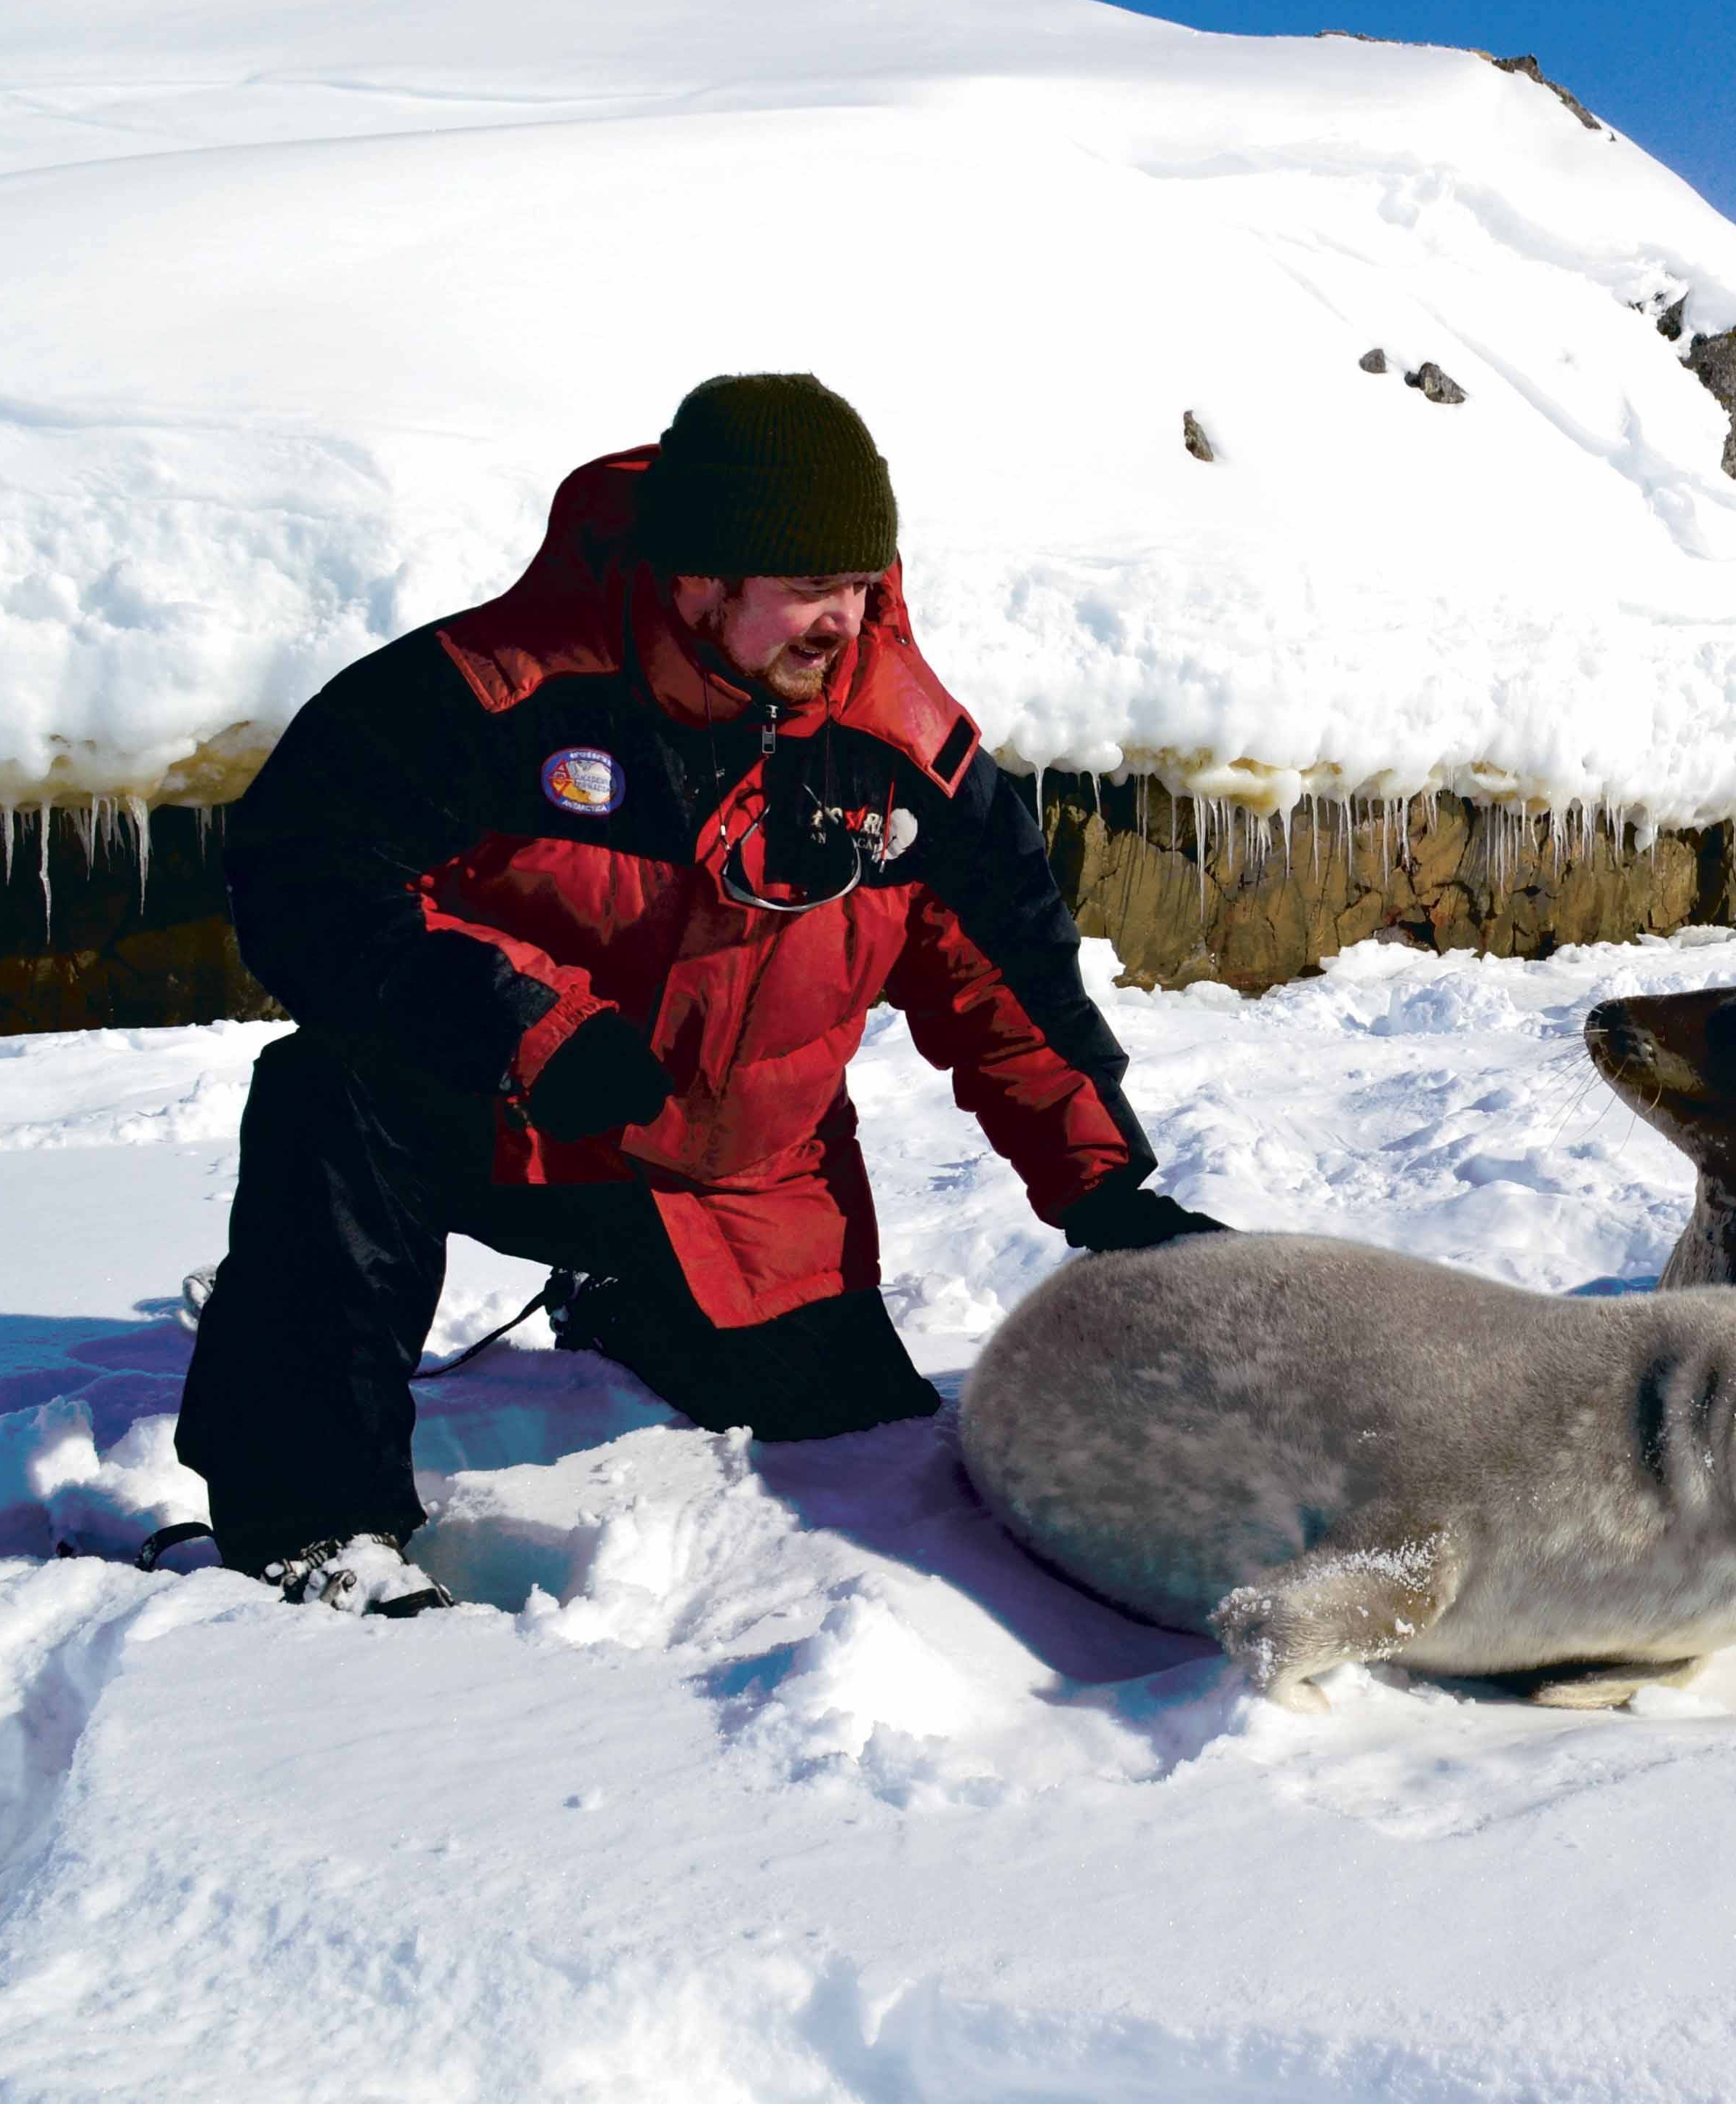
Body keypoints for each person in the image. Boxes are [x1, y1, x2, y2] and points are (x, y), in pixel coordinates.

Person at [175, 374, 1223, 1613]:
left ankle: (624, 1305)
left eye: (858, 586)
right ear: (700, 578)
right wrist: (529, 1023)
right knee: (327, 1092)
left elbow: (1009, 975)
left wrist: (1104, 1186)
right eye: (804, 589)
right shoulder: (494, 694)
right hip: (511, 1121)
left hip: (731, 1190)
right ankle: (313, 1523)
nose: (841, 620)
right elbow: (306, 872)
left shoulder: (901, 753)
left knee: (855, 1432)